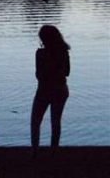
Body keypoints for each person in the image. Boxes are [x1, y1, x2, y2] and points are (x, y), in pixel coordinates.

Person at [31, 25, 70, 157]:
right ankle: (54, 151)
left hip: (44, 90)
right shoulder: (64, 52)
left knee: (35, 121)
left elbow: (38, 75)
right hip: (61, 89)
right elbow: (67, 72)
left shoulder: (40, 53)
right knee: (55, 121)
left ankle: (35, 151)